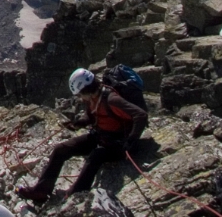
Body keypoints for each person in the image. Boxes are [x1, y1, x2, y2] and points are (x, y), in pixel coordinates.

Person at [16, 68, 148, 203]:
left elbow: (140, 115)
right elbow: (92, 116)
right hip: (101, 136)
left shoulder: (111, 99)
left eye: (80, 94)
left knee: (97, 155)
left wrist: (131, 139)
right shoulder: (93, 98)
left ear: (85, 89)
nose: (80, 97)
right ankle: (41, 191)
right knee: (60, 149)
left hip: (120, 144)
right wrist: (79, 123)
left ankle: (75, 194)